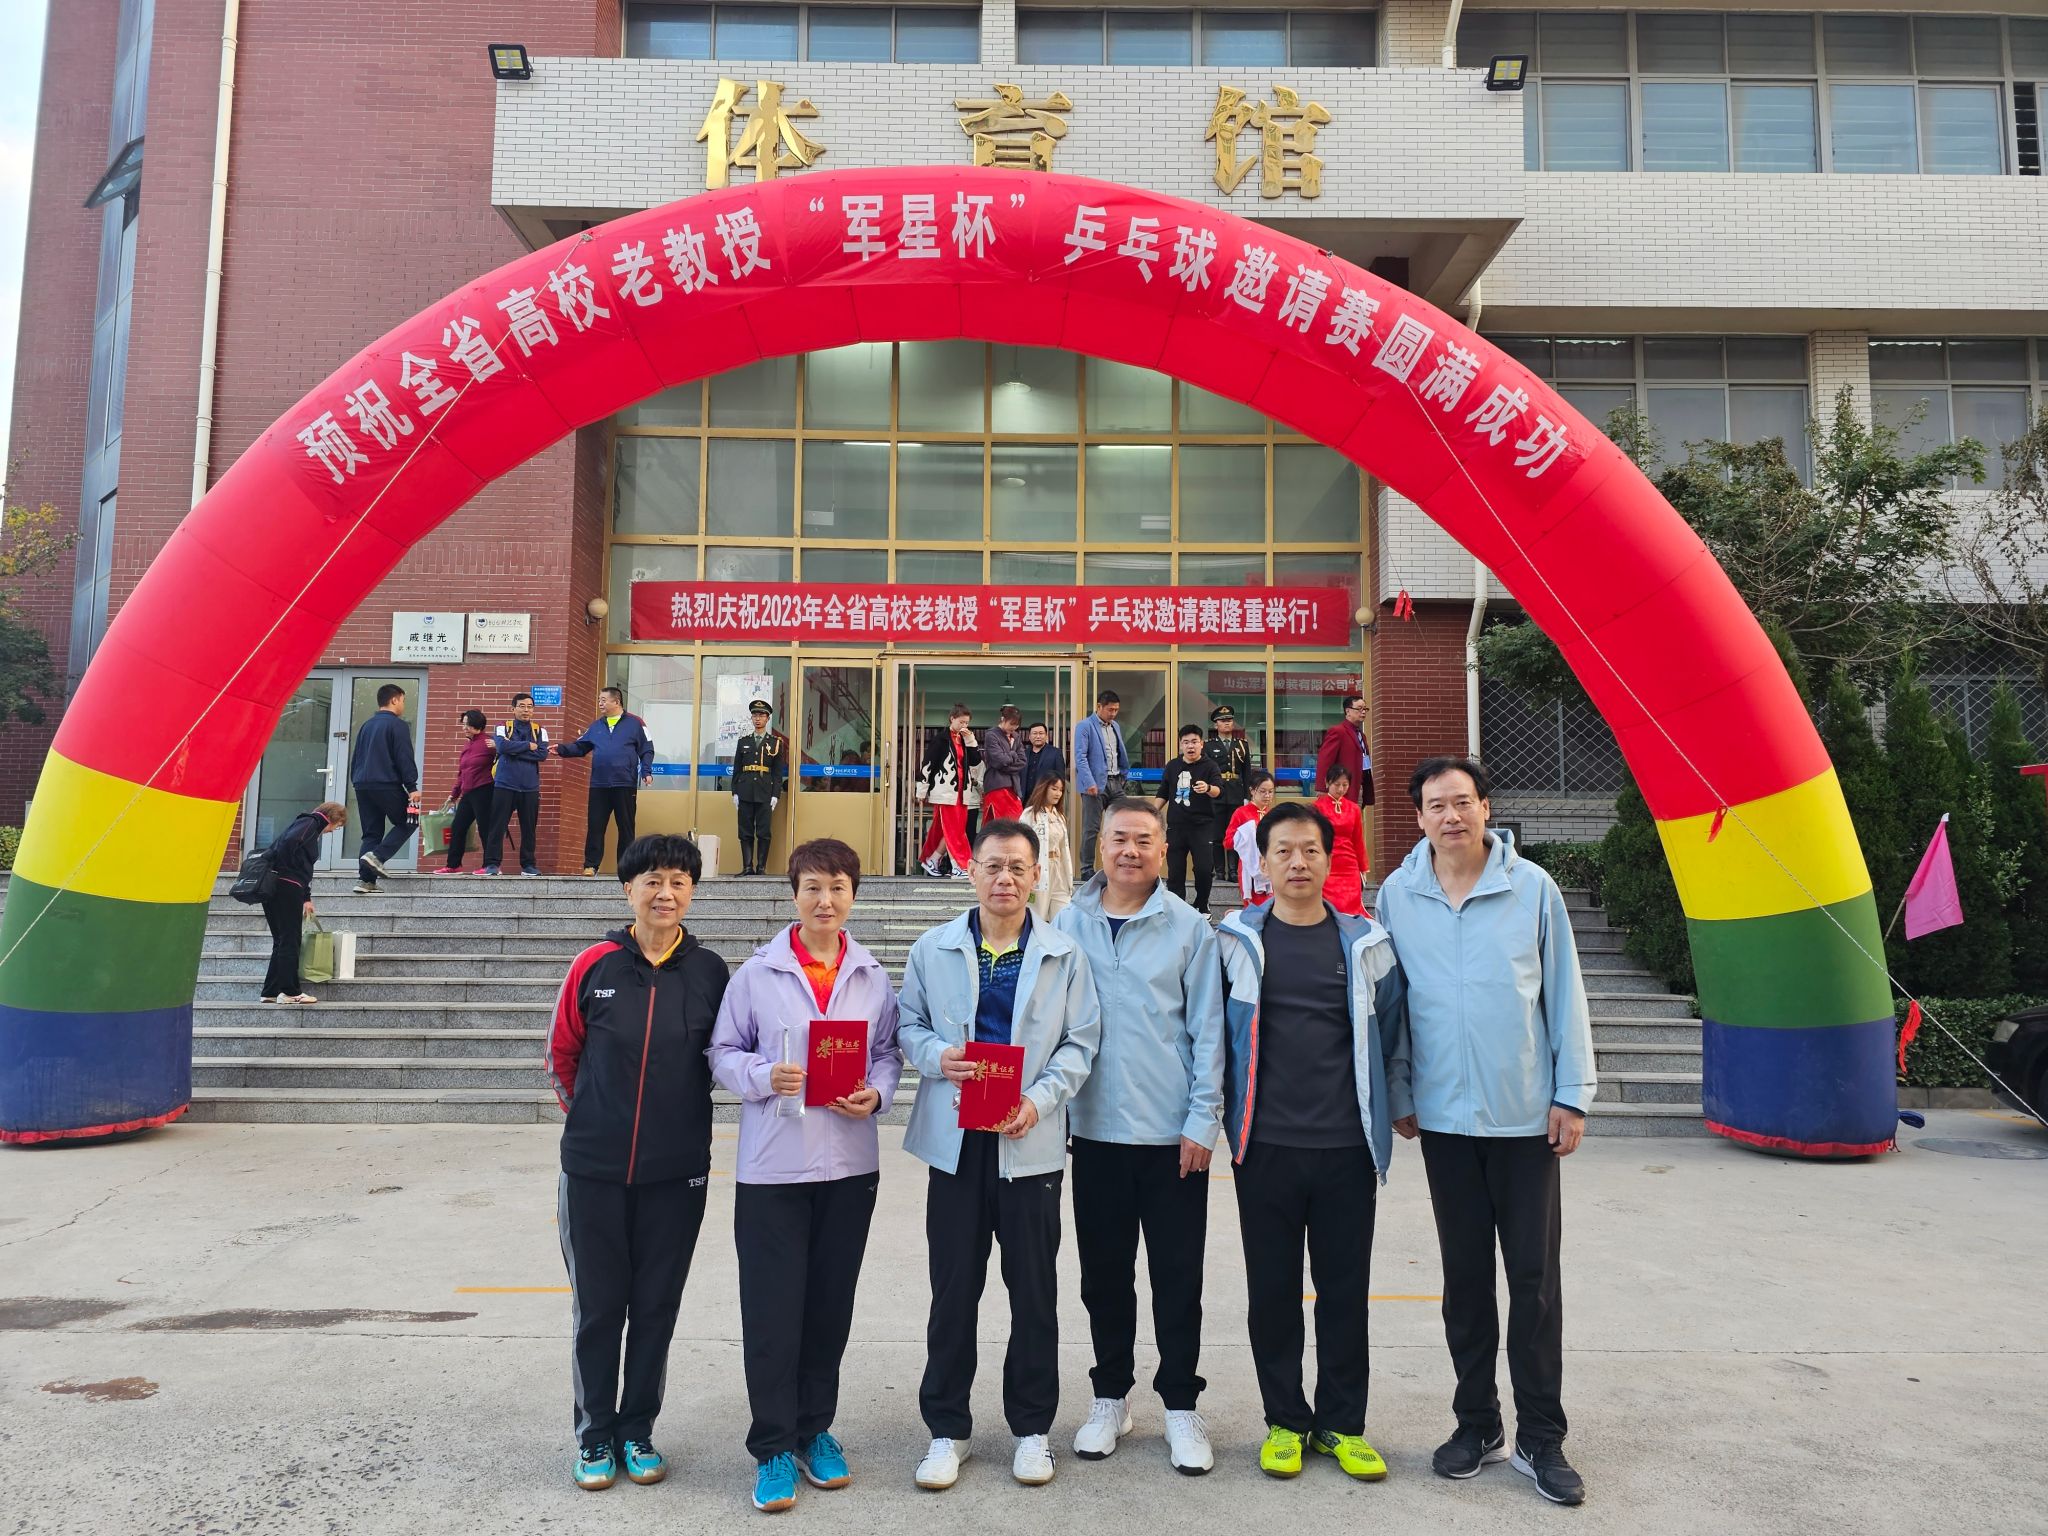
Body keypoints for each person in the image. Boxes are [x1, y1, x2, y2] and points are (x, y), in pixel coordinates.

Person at [1376, 756, 1596, 1509]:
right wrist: (1400, 1090)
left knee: (1533, 1283)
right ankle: (1477, 1424)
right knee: (1465, 1282)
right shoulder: (1398, 896)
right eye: (1436, 805)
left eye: (1462, 802)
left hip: (1524, 1119)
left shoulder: (1531, 888)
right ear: (1418, 817)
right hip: (1444, 1120)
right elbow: (1393, 1005)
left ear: (1485, 808)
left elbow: (1564, 992)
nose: (1451, 816)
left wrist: (1571, 1095)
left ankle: (1542, 1436)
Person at [898, 819, 1101, 1491]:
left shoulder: (1064, 954)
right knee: (953, 1291)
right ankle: (947, 1429)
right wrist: (940, 1057)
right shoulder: (933, 948)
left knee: (1034, 1292)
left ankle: (1032, 1429)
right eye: (993, 865)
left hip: (1028, 1144)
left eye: (1018, 867)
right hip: (955, 1146)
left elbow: (1080, 1042)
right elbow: (908, 1025)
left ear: (1037, 874)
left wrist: (1039, 1101)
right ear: (972, 871)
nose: (1005, 878)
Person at [708, 838, 905, 1514]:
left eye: (838, 887)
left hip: (849, 1166)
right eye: (813, 887)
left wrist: (877, 1094)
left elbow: (886, 1054)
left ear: (853, 896)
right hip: (773, 1170)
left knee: (828, 1306)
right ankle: (771, 1445)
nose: (825, 900)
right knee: (772, 1311)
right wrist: (764, 1076)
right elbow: (721, 1052)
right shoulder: (757, 975)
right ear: (793, 894)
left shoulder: (872, 976)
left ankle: (815, 1430)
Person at [1214, 801, 1409, 1483]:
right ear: (1262, 862)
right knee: (1272, 1292)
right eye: (1283, 851)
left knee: (1344, 1291)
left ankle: (1342, 1425)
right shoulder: (1235, 940)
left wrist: (1394, 1108)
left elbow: (1391, 1035)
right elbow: (1214, 1037)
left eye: (1311, 850)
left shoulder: (1367, 943)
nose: (1298, 863)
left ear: (1331, 859)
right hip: (1263, 1147)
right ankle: (1285, 1421)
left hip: (1346, 1149)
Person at [546, 833, 732, 1492]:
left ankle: (637, 1430)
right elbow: (562, 1054)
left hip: (676, 1174)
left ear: (693, 892)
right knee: (598, 1310)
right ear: (628, 889)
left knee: (656, 1308)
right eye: (653, 880)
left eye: (679, 881)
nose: (665, 893)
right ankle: (595, 1434)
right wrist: (593, 1119)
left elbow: (727, 1056)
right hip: (593, 1170)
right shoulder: (593, 965)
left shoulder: (710, 973)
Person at [1054, 797, 1225, 1475]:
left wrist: (1202, 1120)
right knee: (1103, 1277)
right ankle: (1110, 1396)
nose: (1131, 851)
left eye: (1144, 840)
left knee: (1178, 1277)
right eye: (1119, 838)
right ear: (1101, 847)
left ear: (1163, 849)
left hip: (1171, 1136)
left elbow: (1209, 1032)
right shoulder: (1068, 923)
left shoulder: (1189, 928)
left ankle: (1181, 1403)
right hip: (1094, 1130)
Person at [558, 685, 656, 877]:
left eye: (603, 700)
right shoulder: (596, 726)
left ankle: (626, 868)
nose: (600, 703)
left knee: (626, 827)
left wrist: (646, 771)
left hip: (625, 783)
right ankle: (591, 865)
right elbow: (581, 746)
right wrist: (561, 749)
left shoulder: (635, 723)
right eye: (599, 700)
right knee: (595, 826)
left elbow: (647, 749)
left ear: (616, 701)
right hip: (599, 784)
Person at [258, 801, 347, 1002]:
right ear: (332, 818)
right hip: (287, 887)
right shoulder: (311, 823)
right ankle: (290, 992)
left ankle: (270, 991)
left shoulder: (304, 824)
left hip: (275, 886)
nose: (332, 831)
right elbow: (291, 846)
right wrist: (289, 872)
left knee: (281, 940)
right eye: (337, 826)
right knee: (290, 939)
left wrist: (306, 897)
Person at [349, 683, 419, 894]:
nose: (403, 705)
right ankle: (378, 857)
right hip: (385, 783)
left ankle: (366, 881)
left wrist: (356, 780)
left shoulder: (367, 725)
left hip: (362, 784)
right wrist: (412, 786)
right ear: (394, 700)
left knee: (371, 833)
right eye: (403, 700)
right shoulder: (398, 725)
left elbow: (356, 756)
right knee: (409, 821)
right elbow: (403, 757)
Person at [483, 693, 549, 877]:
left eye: (530, 707)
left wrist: (513, 749)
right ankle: (492, 864)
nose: (526, 710)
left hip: (530, 787)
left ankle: (528, 865)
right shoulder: (502, 726)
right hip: (505, 784)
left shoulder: (540, 730)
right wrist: (528, 746)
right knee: (497, 826)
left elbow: (542, 754)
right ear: (513, 709)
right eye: (522, 706)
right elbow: (502, 747)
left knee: (529, 829)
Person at [1164, 725, 1225, 914]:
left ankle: (1202, 904)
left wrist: (1208, 788)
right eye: (1186, 742)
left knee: (1204, 869)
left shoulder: (1210, 766)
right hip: (1176, 826)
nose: (1190, 746)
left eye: (1194, 742)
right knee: (1175, 871)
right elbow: (1163, 792)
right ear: (1180, 745)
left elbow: (1219, 790)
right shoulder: (1172, 766)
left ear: (1201, 744)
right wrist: (1149, 813)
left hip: (1202, 826)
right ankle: (1176, 908)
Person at [915, 705, 980, 879]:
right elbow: (928, 764)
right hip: (945, 791)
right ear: (952, 719)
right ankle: (959, 864)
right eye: (961, 722)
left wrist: (971, 740)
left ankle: (933, 859)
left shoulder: (964, 739)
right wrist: (921, 790)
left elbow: (976, 761)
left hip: (962, 791)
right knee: (955, 829)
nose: (964, 725)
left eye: (966, 723)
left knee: (949, 829)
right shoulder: (941, 739)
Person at [1073, 690, 1130, 883]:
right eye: (1110, 709)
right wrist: (1089, 781)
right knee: (1091, 828)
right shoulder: (1085, 726)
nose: (1113, 713)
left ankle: (1118, 865)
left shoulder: (1116, 726)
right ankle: (1086, 869)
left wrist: (1124, 775)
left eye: (1116, 710)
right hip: (1095, 785)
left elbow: (1118, 752)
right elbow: (1080, 757)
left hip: (1116, 781)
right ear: (1099, 707)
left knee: (1122, 825)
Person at [433, 709, 494, 874]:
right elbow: (462, 772)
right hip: (468, 793)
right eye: (464, 724)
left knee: (486, 828)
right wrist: (454, 794)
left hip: (484, 791)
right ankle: (453, 865)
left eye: (468, 724)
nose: (464, 727)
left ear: (477, 724)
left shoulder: (489, 743)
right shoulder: (468, 745)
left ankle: (491, 865)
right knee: (458, 827)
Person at [732, 699, 787, 877]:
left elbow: (777, 773)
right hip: (745, 790)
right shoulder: (743, 742)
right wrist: (735, 792)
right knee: (745, 830)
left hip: (765, 792)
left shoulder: (775, 743)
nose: (758, 718)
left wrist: (775, 795)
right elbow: (737, 770)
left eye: (761, 715)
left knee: (763, 831)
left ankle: (761, 868)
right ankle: (747, 866)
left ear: (767, 718)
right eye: (755, 715)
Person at [1204, 706, 1253, 880]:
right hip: (1216, 794)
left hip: (1236, 793)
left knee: (1235, 834)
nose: (1227, 723)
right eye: (1223, 721)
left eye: (1229, 720)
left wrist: (1247, 796)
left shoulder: (1242, 745)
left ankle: (1233, 871)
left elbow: (1247, 772)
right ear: (1215, 724)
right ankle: (1220, 871)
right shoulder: (1208, 746)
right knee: (1217, 834)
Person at [1315, 764, 1370, 916]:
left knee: (1351, 905)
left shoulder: (1354, 809)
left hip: (1349, 864)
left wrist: (1363, 867)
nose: (1340, 789)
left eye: (1345, 785)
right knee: (1330, 906)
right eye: (1337, 784)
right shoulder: (1317, 807)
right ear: (1327, 783)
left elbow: (1358, 840)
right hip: (1327, 862)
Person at [1021, 776, 1074, 921]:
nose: (1058, 793)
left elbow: (1063, 848)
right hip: (1039, 869)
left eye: (1061, 790)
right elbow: (1021, 845)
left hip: (1059, 870)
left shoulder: (1060, 816)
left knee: (1063, 915)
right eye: (1054, 789)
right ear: (1043, 788)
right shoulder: (1030, 814)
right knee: (1037, 915)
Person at [1226, 769, 1276, 907]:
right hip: (1248, 867)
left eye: (1271, 792)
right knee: (1253, 908)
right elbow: (1228, 842)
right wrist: (1248, 835)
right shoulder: (1241, 813)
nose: (1267, 796)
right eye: (1262, 791)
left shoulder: (1273, 814)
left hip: (1271, 866)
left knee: (1271, 907)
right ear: (1252, 791)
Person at [1316, 693, 1375, 809]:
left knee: (1356, 818)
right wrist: (1322, 788)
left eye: (1365, 709)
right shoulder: (1338, 731)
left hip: (1359, 786)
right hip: (1342, 790)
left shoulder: (1361, 735)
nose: (1363, 712)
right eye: (1359, 709)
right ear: (1348, 711)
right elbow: (1325, 760)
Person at [980, 705, 1028, 823]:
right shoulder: (991, 735)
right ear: (1002, 719)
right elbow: (999, 760)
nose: (1014, 727)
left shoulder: (1016, 736)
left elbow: (1023, 761)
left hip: (1014, 786)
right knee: (1000, 823)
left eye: (1016, 725)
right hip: (996, 785)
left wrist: (1005, 765)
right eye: (1012, 724)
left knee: (1016, 821)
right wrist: (1013, 754)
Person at [1020, 722, 1066, 805]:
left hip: (1045, 799)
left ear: (1046, 736)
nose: (1038, 736)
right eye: (1035, 733)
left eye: (1041, 733)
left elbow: (1060, 777)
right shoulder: (1023, 754)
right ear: (1029, 736)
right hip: (1024, 800)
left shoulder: (1055, 753)